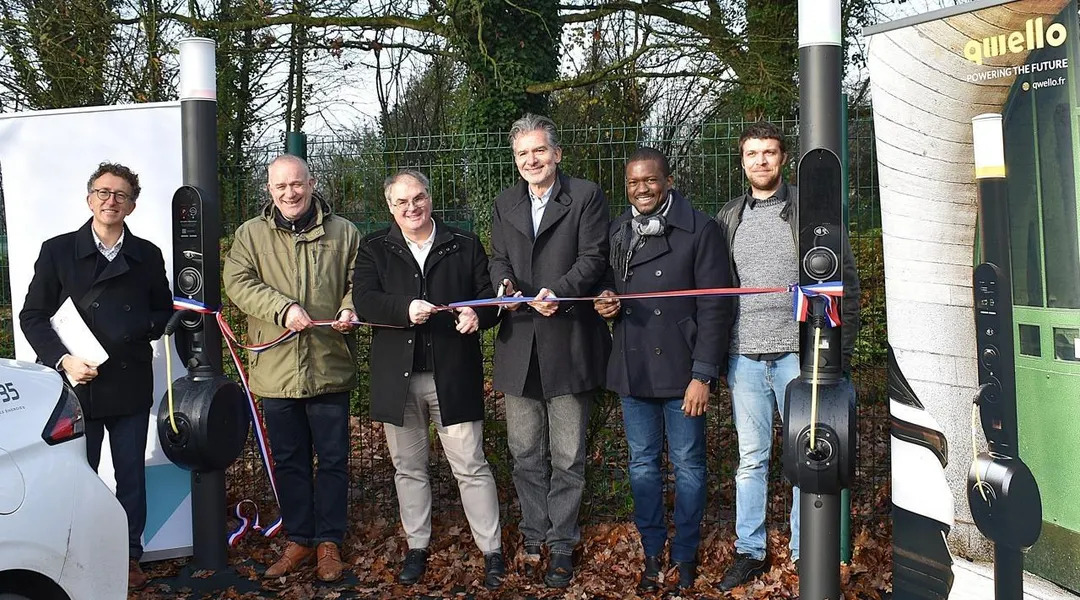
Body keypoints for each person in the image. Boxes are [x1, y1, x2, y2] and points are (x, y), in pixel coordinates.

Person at [714, 121, 860, 591]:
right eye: (753, 153)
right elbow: (716, 292)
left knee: (808, 453)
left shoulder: (809, 212)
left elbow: (845, 285)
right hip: (745, 357)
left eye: (770, 152)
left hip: (800, 356)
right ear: (742, 161)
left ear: (783, 159)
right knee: (751, 459)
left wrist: (840, 354)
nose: (761, 161)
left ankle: (805, 549)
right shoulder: (728, 218)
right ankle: (750, 550)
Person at [20, 162, 174, 591]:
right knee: (77, 476)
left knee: (131, 475)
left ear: (133, 205)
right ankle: (77, 557)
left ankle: (128, 557)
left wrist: (140, 327)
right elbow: (32, 316)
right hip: (77, 385)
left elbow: (163, 311)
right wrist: (63, 360)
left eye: (120, 195)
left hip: (128, 379)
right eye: (103, 192)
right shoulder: (57, 250)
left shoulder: (147, 254)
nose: (111, 200)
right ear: (89, 199)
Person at [352, 170, 506, 589]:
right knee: (408, 468)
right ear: (390, 207)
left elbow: (489, 298)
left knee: (471, 465)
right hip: (397, 380)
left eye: (417, 198)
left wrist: (481, 314)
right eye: (401, 202)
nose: (411, 208)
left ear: (430, 198)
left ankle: (491, 550)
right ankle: (417, 546)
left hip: (451, 376)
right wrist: (404, 309)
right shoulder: (374, 248)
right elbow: (364, 301)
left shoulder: (464, 243)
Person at [593, 147, 732, 593]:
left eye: (649, 180)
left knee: (689, 466)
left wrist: (703, 374)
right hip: (634, 369)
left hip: (683, 371)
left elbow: (716, 306)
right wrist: (606, 303)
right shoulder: (617, 231)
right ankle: (653, 552)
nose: (641, 189)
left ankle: (686, 554)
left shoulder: (701, 229)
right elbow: (607, 283)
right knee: (643, 466)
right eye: (633, 182)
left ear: (668, 181)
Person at [223, 154, 361, 583]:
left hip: (329, 366)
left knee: (334, 460)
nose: (290, 193)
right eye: (281, 186)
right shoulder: (249, 235)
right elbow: (237, 282)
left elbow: (362, 282)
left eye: (297, 184)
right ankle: (300, 537)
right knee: (290, 461)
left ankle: (329, 542)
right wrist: (282, 309)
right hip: (276, 369)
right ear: (269, 189)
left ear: (312, 182)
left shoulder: (345, 233)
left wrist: (349, 308)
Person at [488, 113, 611, 588]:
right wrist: (501, 281)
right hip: (520, 344)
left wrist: (559, 290)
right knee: (524, 453)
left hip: (568, 341)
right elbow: (498, 255)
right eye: (522, 154)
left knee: (568, 454)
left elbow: (593, 257)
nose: (531, 160)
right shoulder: (504, 203)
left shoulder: (584, 196)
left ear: (556, 154)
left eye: (539, 151)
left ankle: (561, 543)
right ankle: (534, 534)